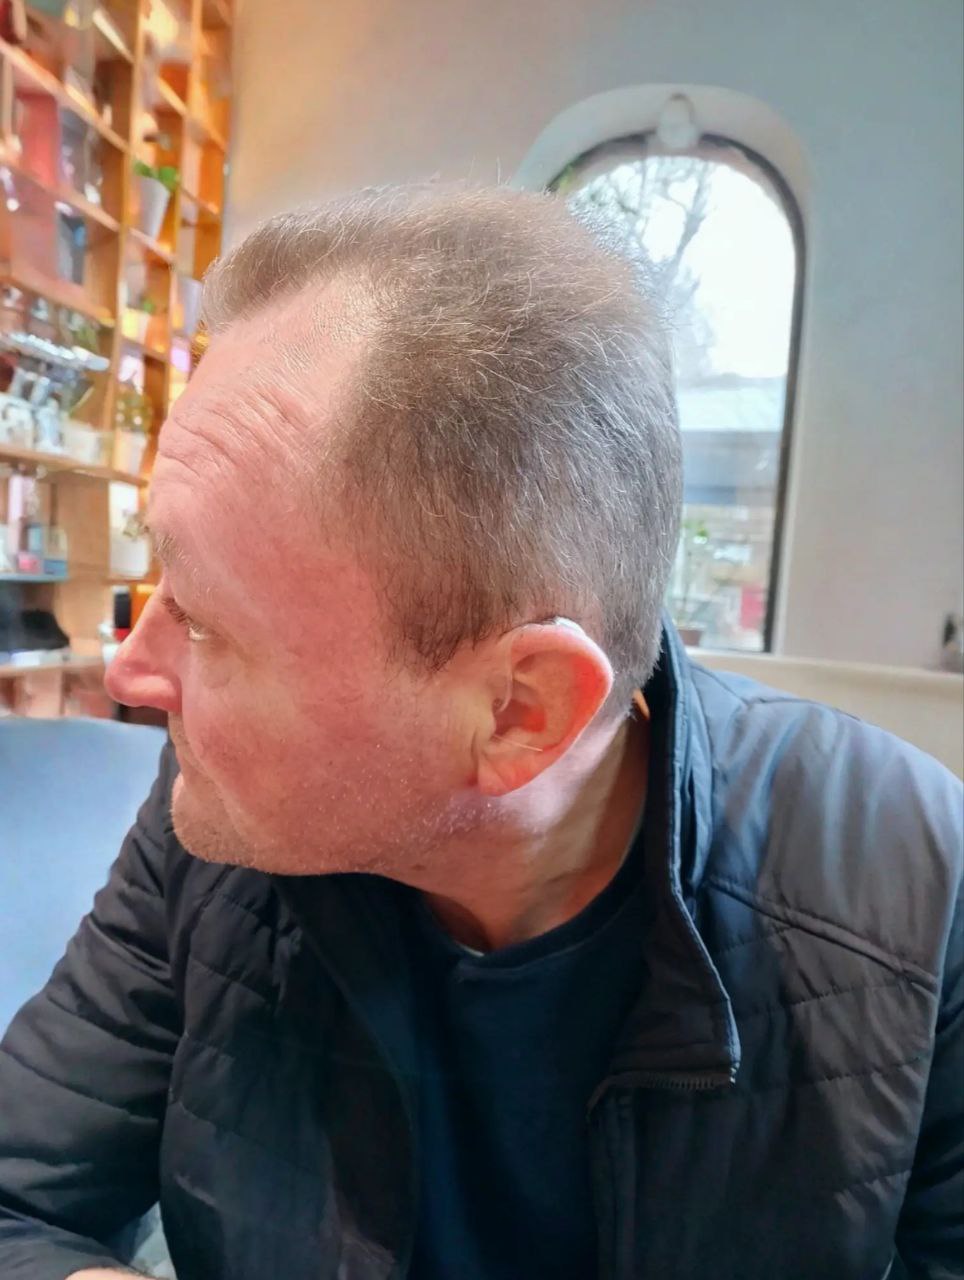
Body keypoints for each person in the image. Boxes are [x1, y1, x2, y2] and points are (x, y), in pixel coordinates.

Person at [0, 185, 960, 1280]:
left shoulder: (908, 888)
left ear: (518, 712)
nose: (129, 671)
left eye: (208, 624)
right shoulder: (220, 825)